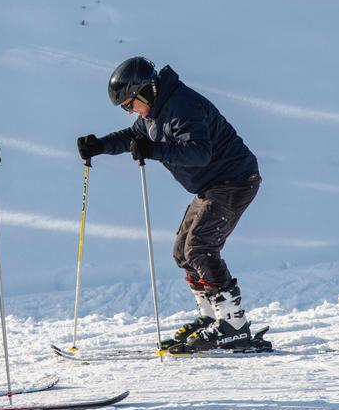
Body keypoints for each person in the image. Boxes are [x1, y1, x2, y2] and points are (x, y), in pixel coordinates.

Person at [76, 56, 269, 354]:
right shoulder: (155, 110)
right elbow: (133, 137)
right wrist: (99, 145)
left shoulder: (182, 107)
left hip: (235, 181)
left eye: (129, 104)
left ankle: (233, 324)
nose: (130, 112)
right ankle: (211, 318)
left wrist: (152, 150)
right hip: (212, 186)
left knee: (200, 248)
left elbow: (198, 153)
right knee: (182, 252)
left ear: (145, 91)